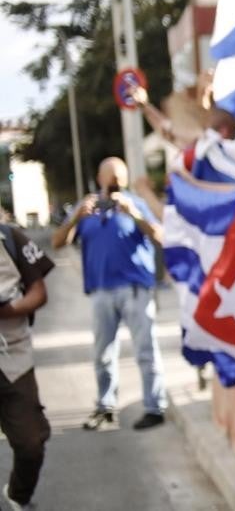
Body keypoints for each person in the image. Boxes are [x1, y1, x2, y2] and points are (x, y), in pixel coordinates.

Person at [52, 158, 168, 431]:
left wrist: (134, 215)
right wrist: (77, 217)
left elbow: (160, 236)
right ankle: (105, 407)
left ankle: (155, 407)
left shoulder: (135, 203)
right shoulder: (87, 207)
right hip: (101, 289)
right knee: (103, 353)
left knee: (146, 350)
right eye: (111, 176)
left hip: (135, 289)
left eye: (120, 177)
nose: (115, 182)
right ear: (100, 177)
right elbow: (58, 242)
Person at [0, 223, 53, 509]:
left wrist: (9, 310)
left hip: (12, 357)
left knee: (31, 442)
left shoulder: (9, 237)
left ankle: (18, 494)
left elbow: (39, 292)